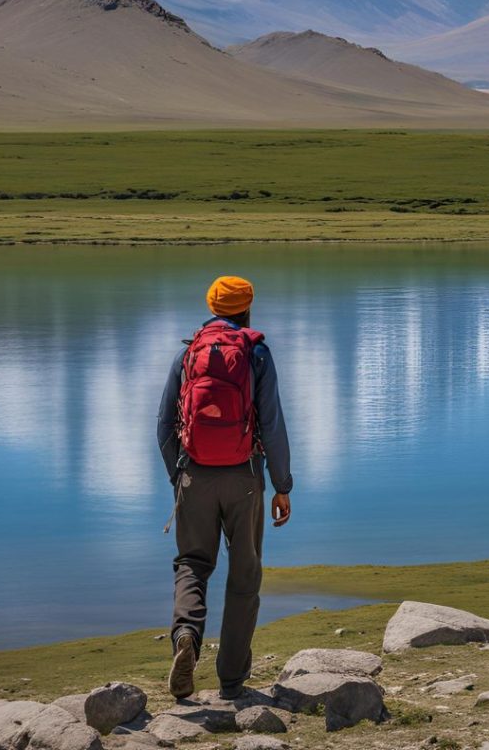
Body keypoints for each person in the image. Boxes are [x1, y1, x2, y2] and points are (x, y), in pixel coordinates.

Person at [157, 275, 293, 701]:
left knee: (193, 564)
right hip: (245, 479)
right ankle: (232, 681)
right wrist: (282, 485)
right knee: (244, 575)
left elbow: (164, 426)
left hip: (194, 475)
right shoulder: (256, 355)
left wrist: (180, 477)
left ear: (212, 306)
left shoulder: (188, 353)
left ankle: (186, 638)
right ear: (247, 308)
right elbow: (271, 426)